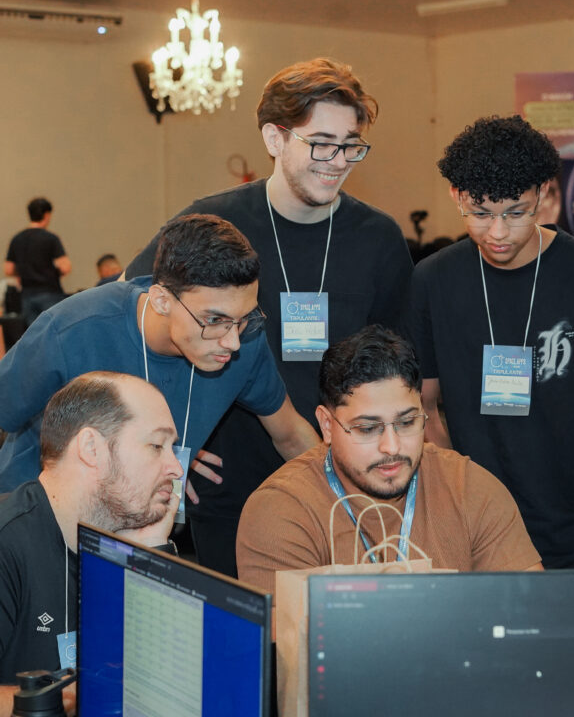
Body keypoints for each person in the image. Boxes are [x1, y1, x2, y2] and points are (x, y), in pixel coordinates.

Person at [125, 57, 412, 575]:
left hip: (341, 485)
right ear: (275, 138)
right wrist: (166, 438)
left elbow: (395, 368)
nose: (337, 160)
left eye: (350, 145)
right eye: (320, 142)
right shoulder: (213, 221)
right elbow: (132, 317)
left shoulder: (379, 239)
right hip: (227, 483)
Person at [401, 115, 574, 569]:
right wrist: (460, 507)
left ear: (543, 193)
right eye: (481, 213)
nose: (498, 232)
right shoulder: (432, 280)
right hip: (480, 540)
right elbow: (424, 408)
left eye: (516, 213)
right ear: (456, 196)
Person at [0, 214, 319, 572]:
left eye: (244, 318)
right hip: (37, 529)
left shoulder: (244, 340)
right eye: (214, 321)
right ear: (162, 301)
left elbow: (291, 434)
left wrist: (344, 504)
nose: (232, 341)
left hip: (135, 532)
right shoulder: (74, 329)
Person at [236, 325, 542, 597]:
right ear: (327, 425)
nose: (392, 447)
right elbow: (290, 639)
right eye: (367, 428)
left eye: (407, 423)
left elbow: (529, 615)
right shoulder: (281, 510)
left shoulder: (470, 489)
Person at [0, 371, 183, 715]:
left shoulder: (129, 539)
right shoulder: (7, 543)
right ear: (91, 449)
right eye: (157, 446)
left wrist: (148, 557)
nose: (176, 468)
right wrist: (77, 696)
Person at [4, 197, 71, 327]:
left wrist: (24, 271)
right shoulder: (50, 238)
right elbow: (65, 267)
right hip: (50, 292)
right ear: (46, 215)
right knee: (54, 328)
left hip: (26, 295)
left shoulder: (17, 239)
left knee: (34, 331)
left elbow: (8, 269)